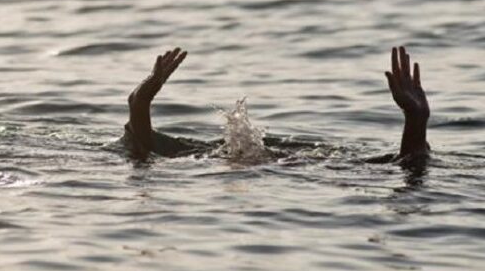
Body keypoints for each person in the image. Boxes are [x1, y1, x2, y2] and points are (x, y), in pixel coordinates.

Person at [123, 46, 430, 169]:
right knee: (403, 165)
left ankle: (415, 122)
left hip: (292, 169)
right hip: (300, 169)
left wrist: (144, 96)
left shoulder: (189, 156)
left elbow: (140, 133)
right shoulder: (191, 155)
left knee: (402, 165)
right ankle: (415, 122)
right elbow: (138, 120)